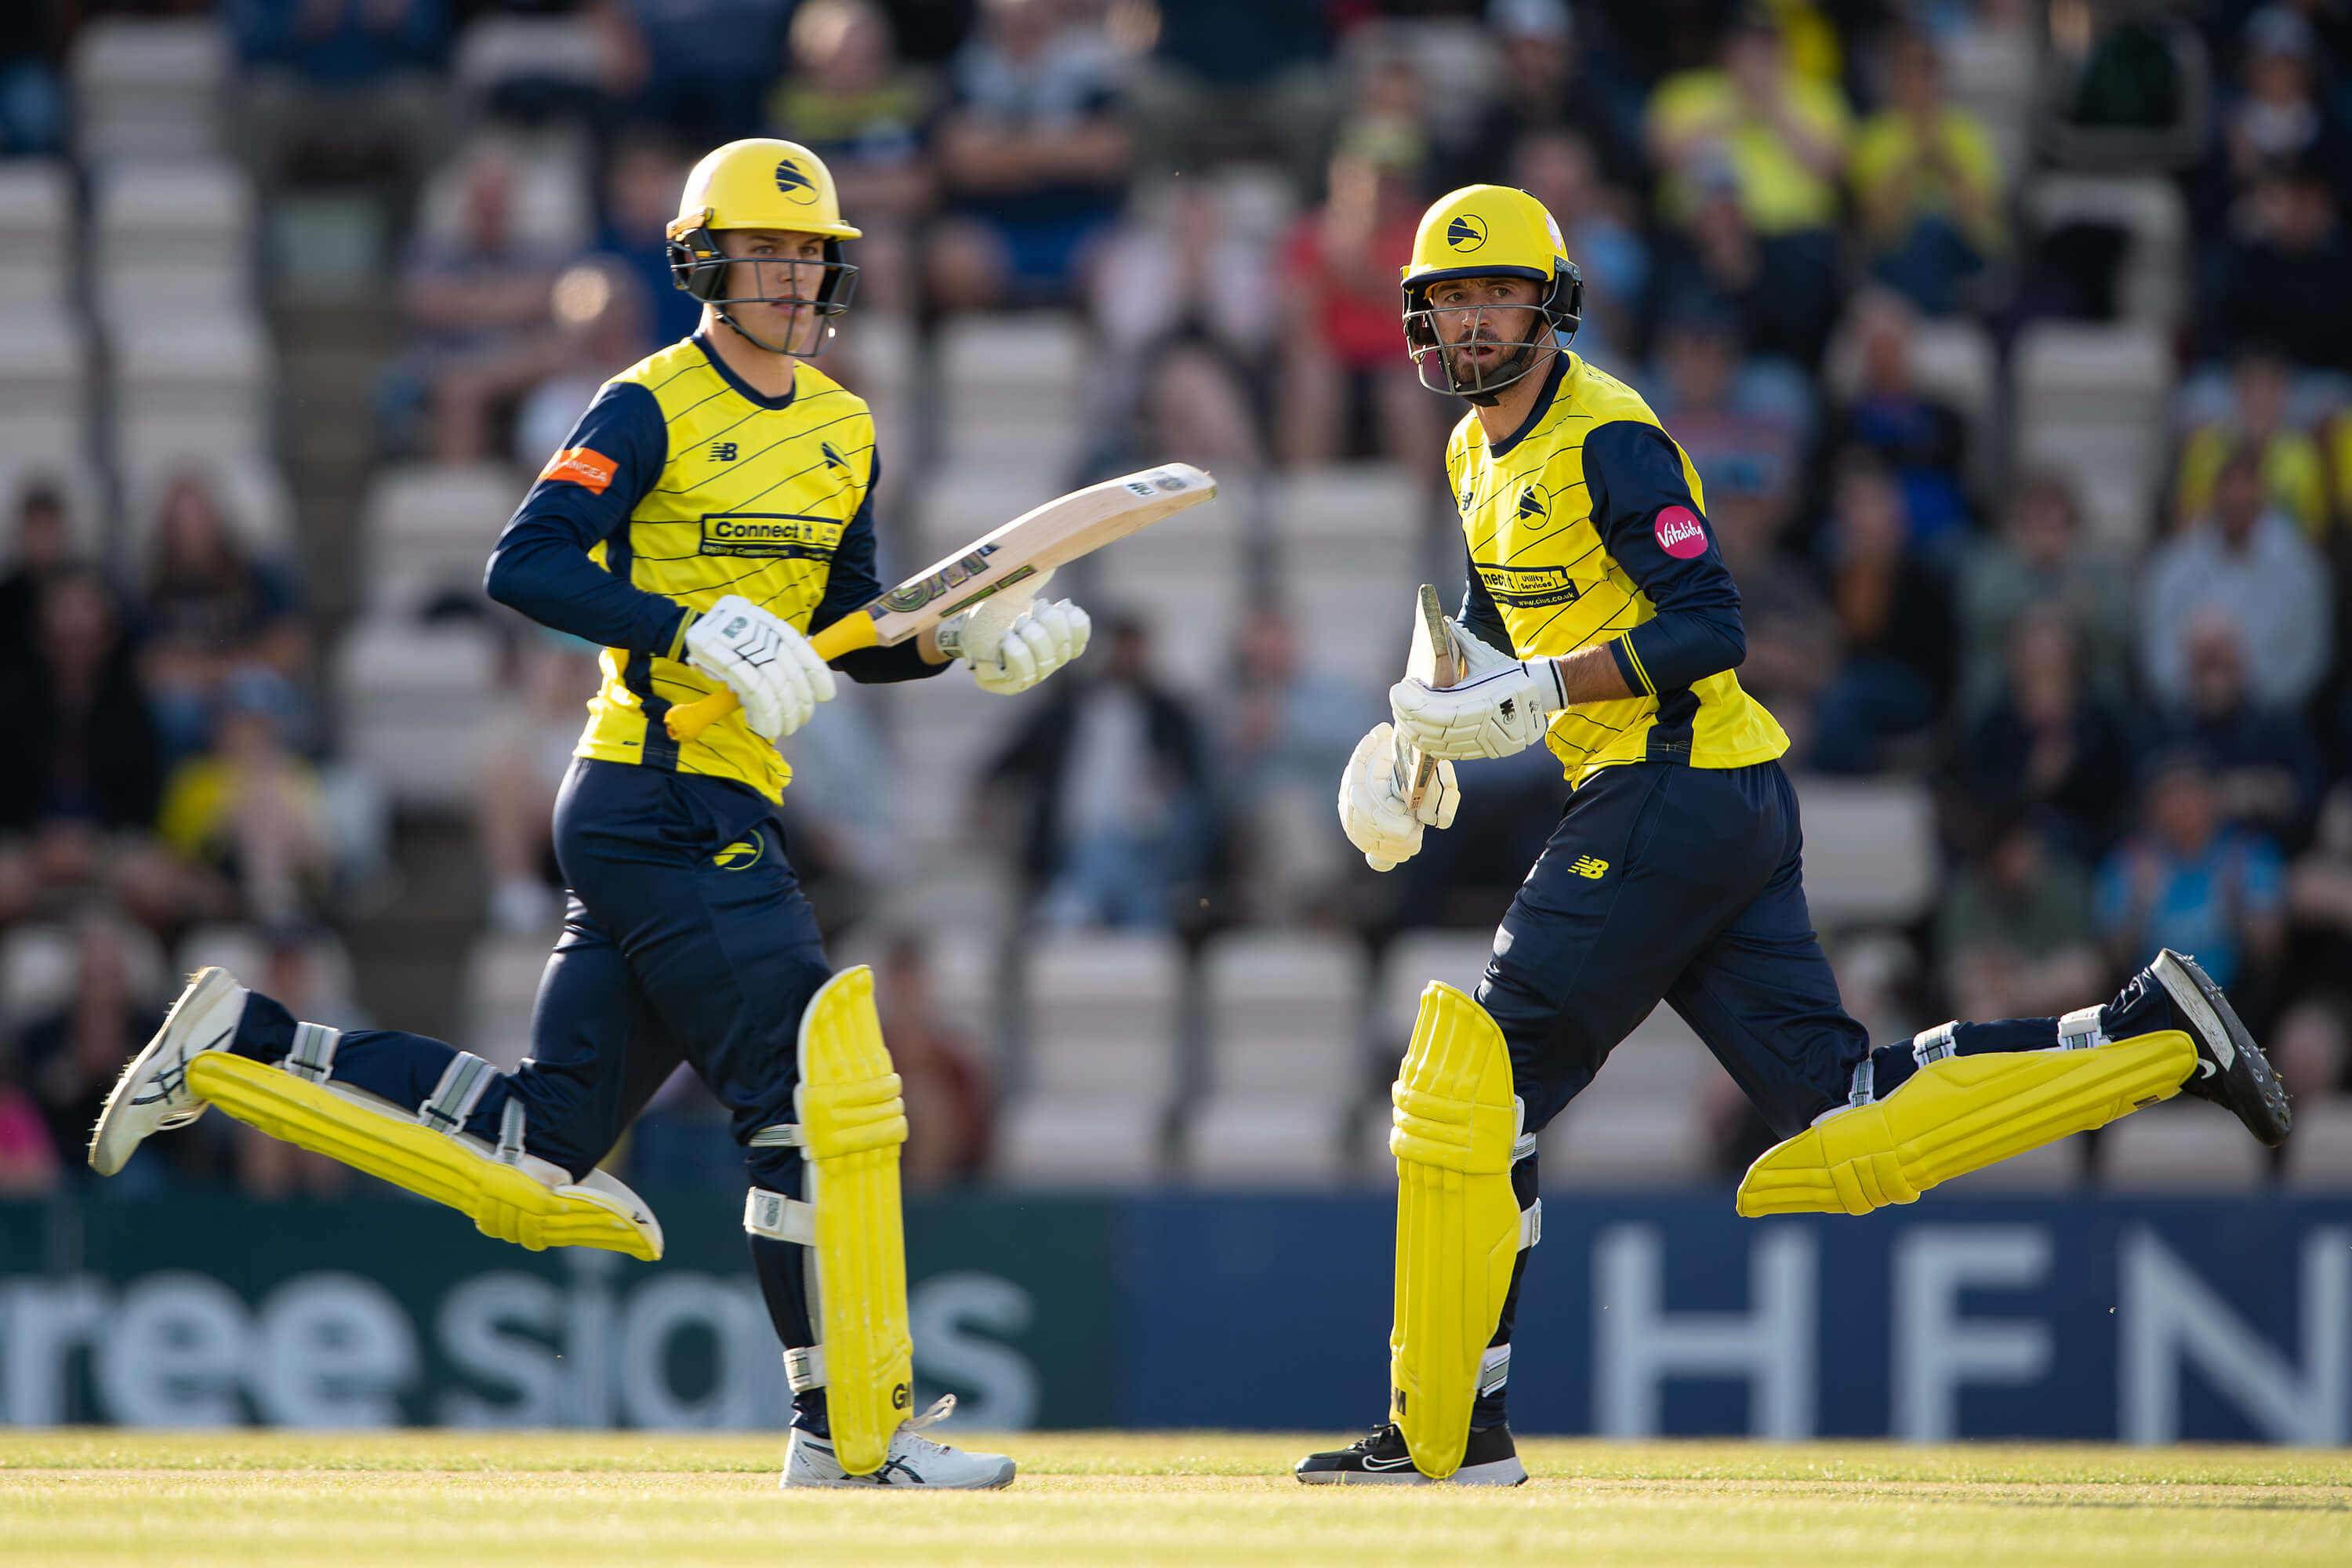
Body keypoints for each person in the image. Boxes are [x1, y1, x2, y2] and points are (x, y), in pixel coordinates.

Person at [89, 139, 1096, 1490]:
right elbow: (525, 563)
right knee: (806, 1094)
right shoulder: (646, 403)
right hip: (655, 791)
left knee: (541, 1143)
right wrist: (692, 623)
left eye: (809, 256)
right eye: (766, 255)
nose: (794, 278)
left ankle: (235, 1047)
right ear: (704, 264)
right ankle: (852, 1438)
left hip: (705, 802)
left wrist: (966, 648)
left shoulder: (845, 427)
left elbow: (847, 633)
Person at [1304, 183, 2293, 1489]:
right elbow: (1496, 626)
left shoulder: (1612, 437)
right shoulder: (1469, 453)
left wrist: (1540, 695)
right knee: (1846, 1123)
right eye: (1455, 301)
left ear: (1553, 307)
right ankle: (2147, 1038)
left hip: (1669, 785)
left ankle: (1446, 1440)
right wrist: (1421, 737)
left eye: (1500, 297)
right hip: (1710, 804)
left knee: (1472, 1084)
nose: (1478, 324)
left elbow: (1712, 622)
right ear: (1423, 320)